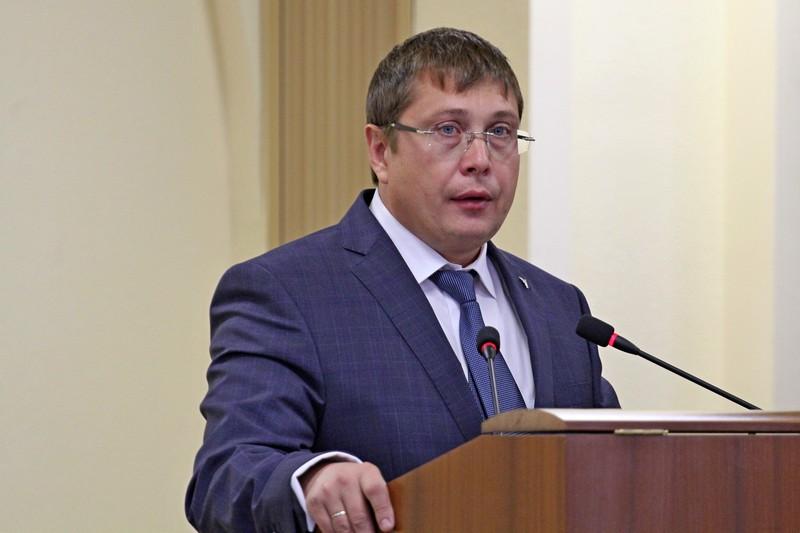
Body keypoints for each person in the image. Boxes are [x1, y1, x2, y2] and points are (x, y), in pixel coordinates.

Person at [186, 27, 619, 533]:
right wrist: (312, 480)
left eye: (500, 132)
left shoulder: (561, 308)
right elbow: (226, 476)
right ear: (380, 151)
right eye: (448, 130)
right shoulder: (287, 292)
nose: (480, 160)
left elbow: (611, 477)